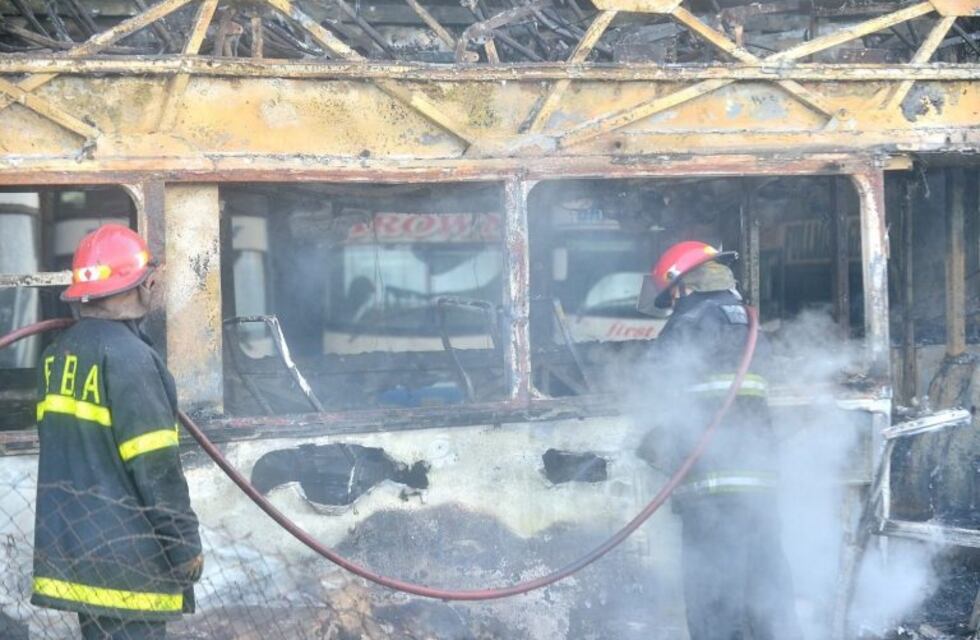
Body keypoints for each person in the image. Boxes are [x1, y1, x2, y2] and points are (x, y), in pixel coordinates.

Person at [32, 224, 202, 639]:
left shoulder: (58, 355)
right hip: (129, 563)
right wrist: (184, 544)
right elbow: (156, 465)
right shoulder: (131, 359)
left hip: (77, 552)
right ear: (140, 286)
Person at [636, 241, 801, 640]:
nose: (672, 305)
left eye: (671, 297)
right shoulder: (750, 324)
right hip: (760, 488)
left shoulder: (689, 321)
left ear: (682, 287)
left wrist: (653, 444)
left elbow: (660, 386)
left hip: (711, 491)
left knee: (714, 600)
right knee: (767, 592)